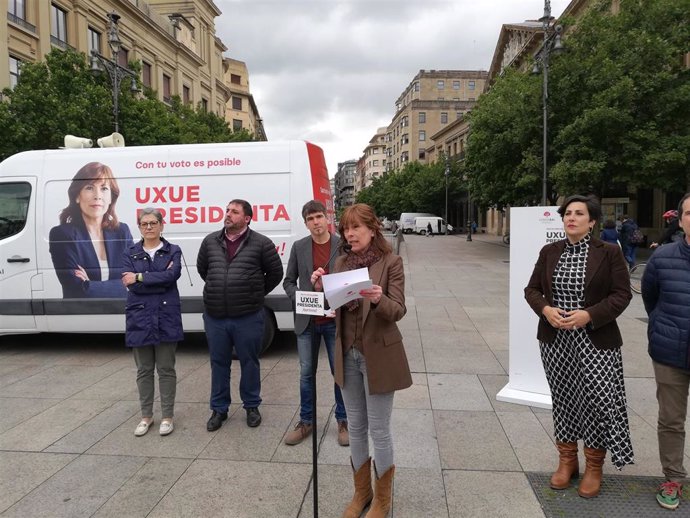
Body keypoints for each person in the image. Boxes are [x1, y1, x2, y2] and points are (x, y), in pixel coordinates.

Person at [524, 194, 634, 499]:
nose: (571, 218)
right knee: (564, 399)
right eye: (567, 213)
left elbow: (622, 294)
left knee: (597, 402)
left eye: (579, 213)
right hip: (556, 340)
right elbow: (531, 289)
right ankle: (567, 460)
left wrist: (589, 315)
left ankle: (594, 466)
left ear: (592, 221)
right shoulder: (550, 251)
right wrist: (546, 310)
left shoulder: (609, 252)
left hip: (595, 342)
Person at [312, 203, 412, 518]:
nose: (349, 234)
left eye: (355, 228)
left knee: (379, 429)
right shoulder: (340, 262)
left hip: (380, 354)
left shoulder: (391, 262)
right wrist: (320, 286)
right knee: (355, 425)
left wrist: (379, 298)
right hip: (348, 354)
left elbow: (398, 309)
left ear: (372, 229)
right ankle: (361, 493)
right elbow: (331, 304)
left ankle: (382, 500)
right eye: (345, 228)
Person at [197, 199, 283, 431]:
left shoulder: (262, 243)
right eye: (227, 210)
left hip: (248, 316)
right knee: (219, 363)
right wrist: (222, 289)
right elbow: (203, 269)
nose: (228, 215)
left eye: (234, 212)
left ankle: (252, 406)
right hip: (216, 316)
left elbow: (275, 273)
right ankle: (219, 409)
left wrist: (254, 293)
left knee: (249, 362)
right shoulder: (210, 242)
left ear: (246, 218)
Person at [283, 200, 348, 446]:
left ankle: (343, 420)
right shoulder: (299, 247)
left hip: (335, 320)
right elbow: (288, 281)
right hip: (307, 321)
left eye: (319, 217)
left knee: (338, 372)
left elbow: (352, 280)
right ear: (305, 222)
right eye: (310, 219)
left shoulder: (342, 246)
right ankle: (306, 421)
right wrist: (301, 297)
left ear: (327, 218)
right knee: (306, 374)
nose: (316, 222)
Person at [642, 193, 690, 511]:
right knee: (671, 420)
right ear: (681, 219)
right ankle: (673, 477)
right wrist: (663, 327)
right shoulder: (663, 257)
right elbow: (650, 297)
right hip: (671, 351)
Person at [121, 208, 183, 437]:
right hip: (140, 317)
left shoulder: (173, 251)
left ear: (161, 225)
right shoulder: (130, 252)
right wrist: (153, 278)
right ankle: (146, 416)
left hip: (166, 317)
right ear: (139, 227)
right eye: (144, 223)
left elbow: (171, 277)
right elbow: (131, 285)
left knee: (166, 369)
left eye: (153, 222)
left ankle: (167, 416)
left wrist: (139, 276)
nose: (149, 227)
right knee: (144, 370)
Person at [49, 162, 133, 298]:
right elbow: (76, 288)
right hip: (83, 315)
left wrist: (90, 284)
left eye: (104, 188)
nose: (98, 195)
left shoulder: (122, 231)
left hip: (122, 314)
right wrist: (122, 285)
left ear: (111, 197)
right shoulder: (62, 234)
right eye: (89, 188)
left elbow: (137, 282)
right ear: (77, 196)